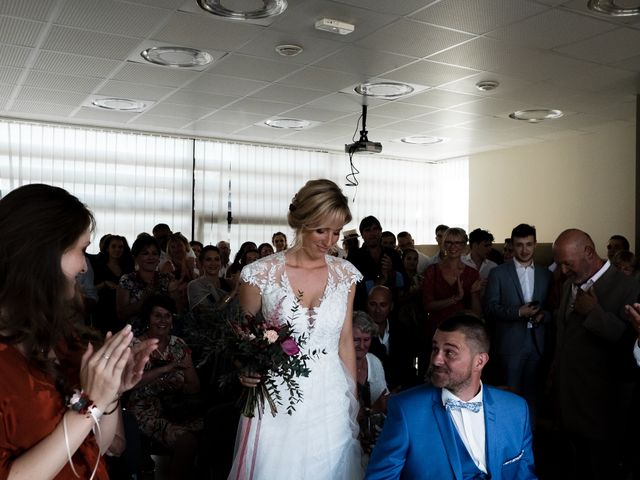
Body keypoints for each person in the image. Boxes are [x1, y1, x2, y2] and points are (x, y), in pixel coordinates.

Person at [0, 183, 157, 479]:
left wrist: (110, 393)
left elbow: (94, 448)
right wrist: (90, 406)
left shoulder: (62, 339)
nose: (85, 266)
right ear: (43, 254)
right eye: (81, 250)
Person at [229, 179, 363, 479]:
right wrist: (245, 368)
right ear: (301, 222)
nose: (330, 241)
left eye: (337, 232)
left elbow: (344, 342)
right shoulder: (258, 275)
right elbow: (243, 340)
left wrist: (353, 401)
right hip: (277, 395)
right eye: (321, 230)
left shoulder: (346, 276)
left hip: (331, 397)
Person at [365, 314, 536, 480]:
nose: (436, 360)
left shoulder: (516, 410)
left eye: (449, 352)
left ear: (479, 362)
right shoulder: (406, 410)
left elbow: (524, 476)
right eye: (435, 349)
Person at [552, 228, 640, 479]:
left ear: (589, 252)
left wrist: (593, 313)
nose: (563, 271)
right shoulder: (570, 284)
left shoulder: (628, 287)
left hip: (604, 405)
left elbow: (631, 346)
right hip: (570, 399)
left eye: (567, 264)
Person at [128, 295, 202, 479]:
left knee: (208, 433)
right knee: (187, 442)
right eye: (157, 316)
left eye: (167, 316)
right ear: (148, 319)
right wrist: (165, 370)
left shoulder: (178, 344)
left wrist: (177, 386)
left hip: (174, 407)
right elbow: (130, 384)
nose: (163, 321)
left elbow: (194, 386)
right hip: (143, 409)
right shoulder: (135, 346)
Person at [484, 223, 552, 408]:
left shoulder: (546, 274)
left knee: (534, 396)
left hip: (538, 343)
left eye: (529, 244)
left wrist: (543, 316)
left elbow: (553, 309)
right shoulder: (498, 273)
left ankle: (531, 434)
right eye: (519, 244)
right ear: (512, 245)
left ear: (535, 244)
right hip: (510, 344)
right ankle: (510, 435)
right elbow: (489, 308)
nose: (524, 249)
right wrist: (518, 312)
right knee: (509, 397)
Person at [423, 227, 483, 347]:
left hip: (462, 332)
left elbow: (477, 313)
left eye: (458, 243)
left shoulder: (472, 273)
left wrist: (473, 293)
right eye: (449, 242)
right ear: (443, 244)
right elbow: (427, 306)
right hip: (436, 329)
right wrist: (455, 298)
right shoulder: (432, 270)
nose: (453, 246)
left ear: (464, 245)